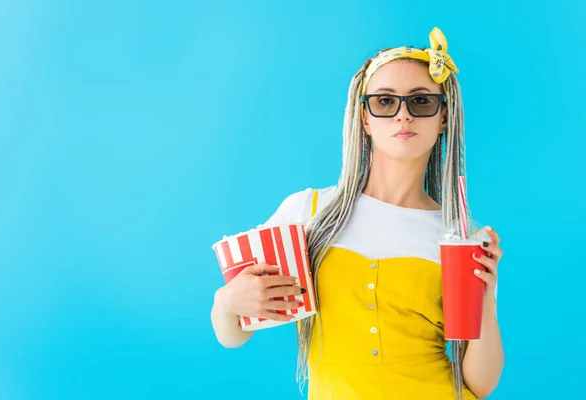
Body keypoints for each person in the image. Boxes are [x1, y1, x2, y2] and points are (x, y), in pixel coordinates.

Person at [210, 27, 504, 400]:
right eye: (384, 102)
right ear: (364, 118)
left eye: (421, 102)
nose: (403, 116)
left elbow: (479, 384)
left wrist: (487, 298)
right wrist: (226, 303)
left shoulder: (462, 237)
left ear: (443, 117)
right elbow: (232, 334)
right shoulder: (309, 213)